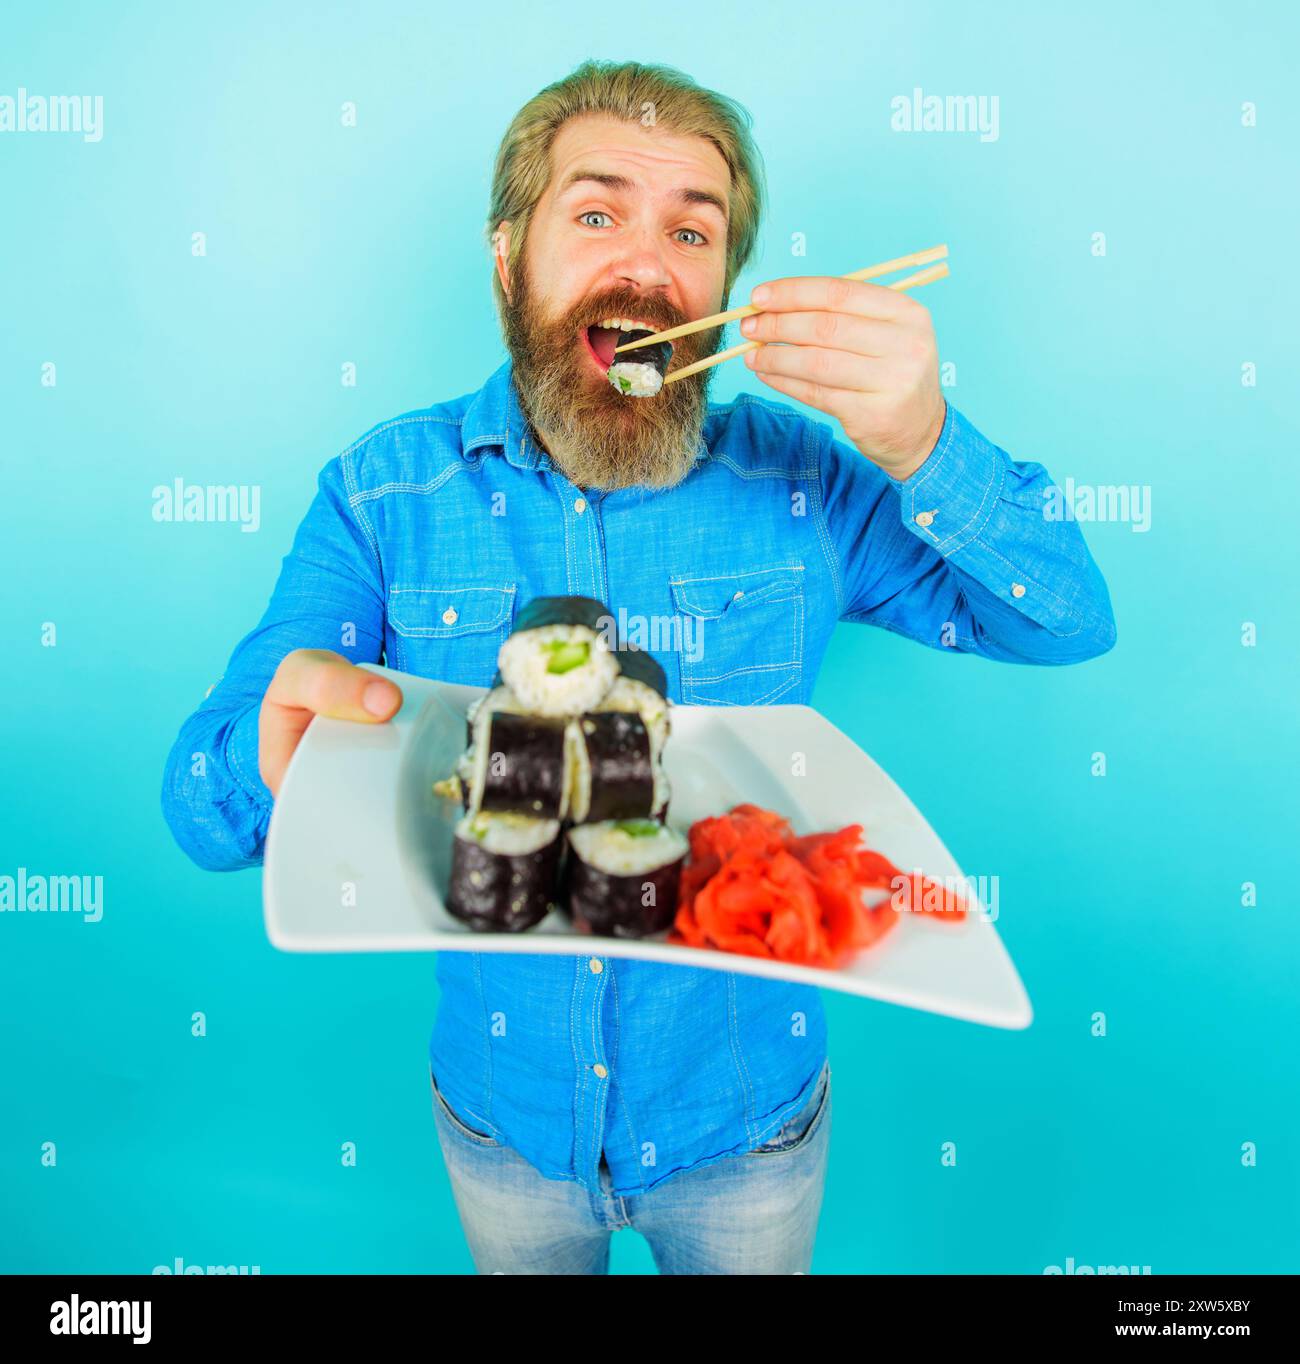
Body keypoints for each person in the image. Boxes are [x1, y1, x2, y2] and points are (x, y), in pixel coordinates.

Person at [161, 59, 1116, 1274]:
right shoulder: (381, 493)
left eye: (692, 229)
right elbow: (197, 805)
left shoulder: (807, 481)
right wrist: (263, 747)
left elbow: (1065, 619)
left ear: (723, 283)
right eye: (597, 213)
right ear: (510, 259)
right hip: (504, 1121)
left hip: (749, 1121)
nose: (647, 263)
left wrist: (925, 440)